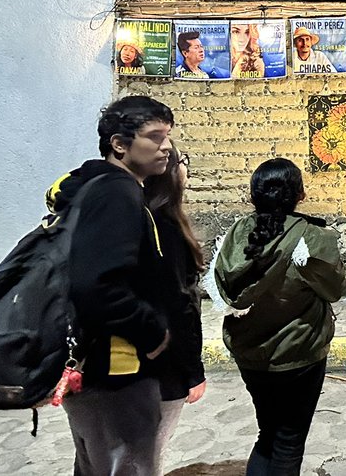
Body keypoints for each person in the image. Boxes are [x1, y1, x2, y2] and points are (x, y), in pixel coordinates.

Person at [47, 95, 175, 476]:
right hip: (115, 372)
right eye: (155, 137)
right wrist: (152, 332)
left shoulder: (90, 187)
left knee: (94, 464)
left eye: (167, 136)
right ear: (119, 144)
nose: (166, 147)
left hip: (89, 367)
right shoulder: (117, 193)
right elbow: (97, 286)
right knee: (127, 465)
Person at [212, 158, 346, 475]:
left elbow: (223, 285)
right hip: (299, 354)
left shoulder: (238, 233)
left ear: (253, 195)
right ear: (300, 194)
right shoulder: (311, 237)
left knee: (267, 433)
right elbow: (334, 289)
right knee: (289, 441)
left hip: (249, 354)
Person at [146, 144, 207, 470]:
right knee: (147, 455)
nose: (186, 168)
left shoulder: (133, 217)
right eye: (183, 161)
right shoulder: (165, 229)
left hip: (125, 363)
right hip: (162, 365)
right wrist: (193, 372)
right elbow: (177, 306)